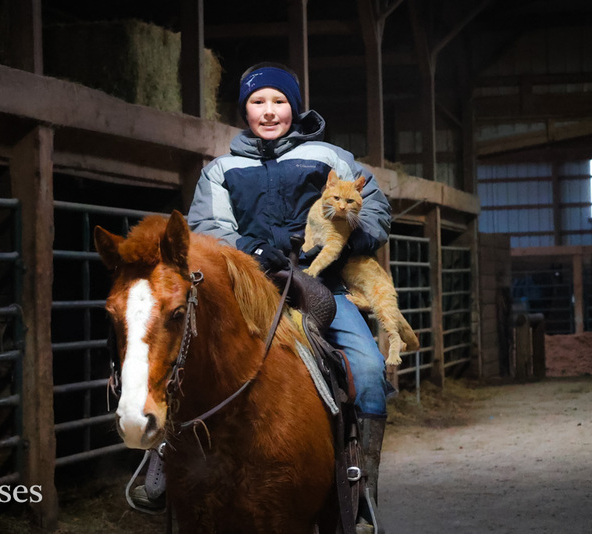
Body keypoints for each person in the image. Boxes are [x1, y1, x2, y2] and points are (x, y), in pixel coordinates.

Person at [131, 62, 395, 518]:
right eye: (258, 103)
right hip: (247, 283)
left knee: (369, 369)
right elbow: (209, 229)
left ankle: (360, 489)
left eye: (279, 102)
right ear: (245, 110)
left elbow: (373, 211)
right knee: (184, 356)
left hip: (321, 282)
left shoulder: (331, 158)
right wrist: (253, 252)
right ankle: (159, 466)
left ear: (294, 107)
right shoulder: (221, 169)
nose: (269, 112)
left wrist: (341, 236)